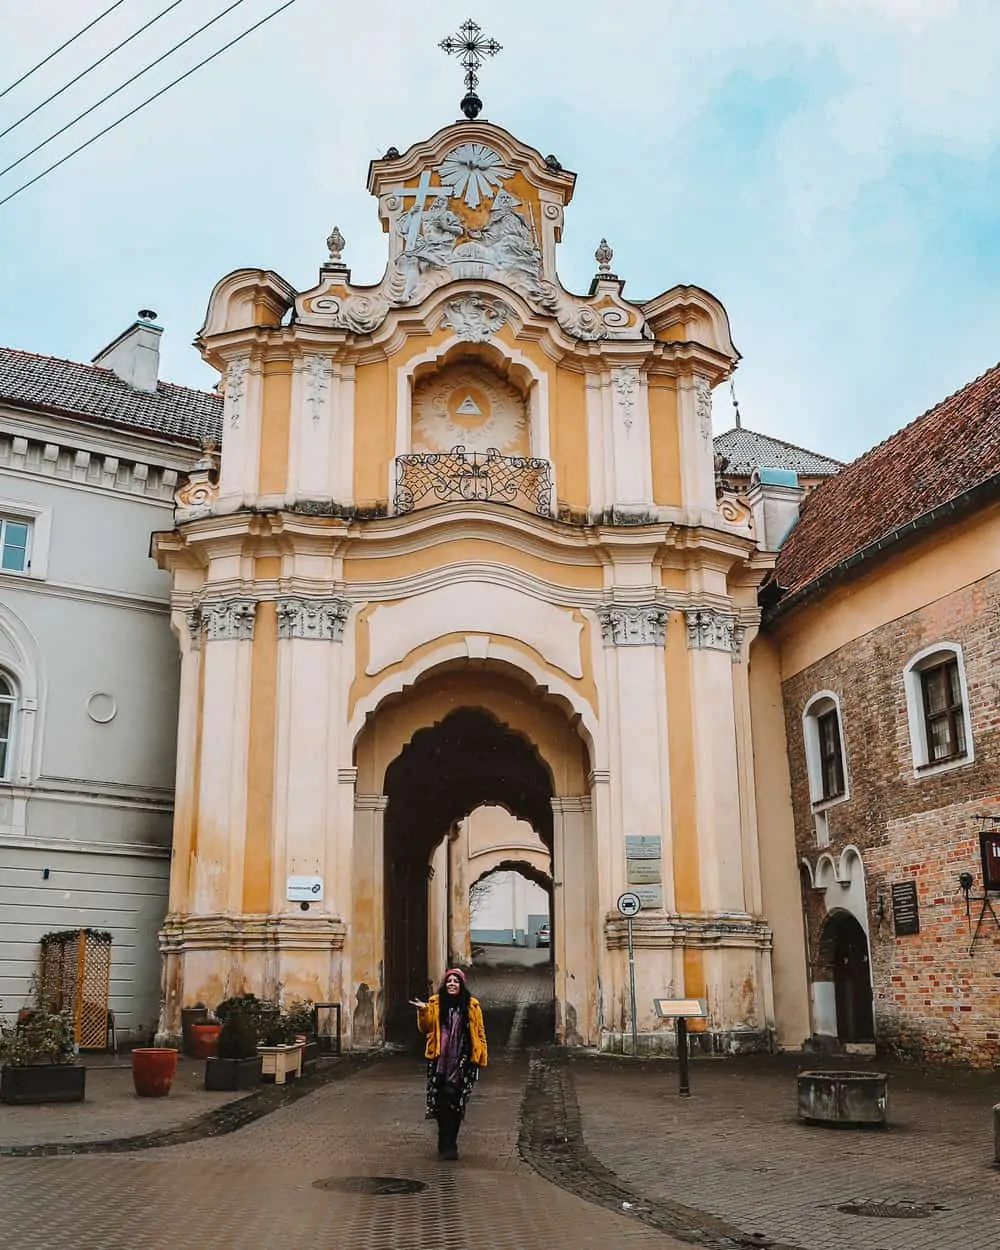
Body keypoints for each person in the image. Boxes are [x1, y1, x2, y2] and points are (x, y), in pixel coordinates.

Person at [409, 968, 487, 1160]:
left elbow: (480, 1033)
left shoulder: (472, 1006)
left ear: (462, 985)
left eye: (456, 981)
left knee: (457, 1104)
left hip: (463, 1062)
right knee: (440, 1103)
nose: (452, 984)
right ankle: (444, 1140)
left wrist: (481, 1055)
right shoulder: (435, 1003)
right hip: (439, 1060)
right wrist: (423, 1011)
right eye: (449, 981)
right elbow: (425, 1028)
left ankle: (451, 1143)